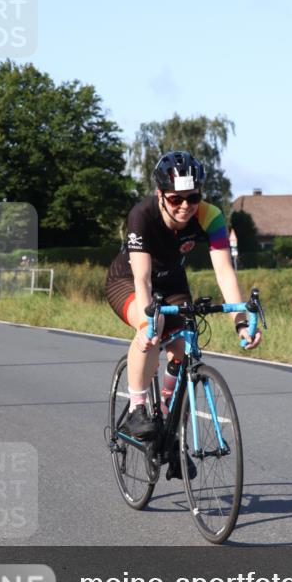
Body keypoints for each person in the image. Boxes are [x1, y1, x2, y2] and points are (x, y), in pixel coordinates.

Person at [105, 150, 262, 442]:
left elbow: (225, 272)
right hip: (127, 280)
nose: (185, 206)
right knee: (154, 328)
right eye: (176, 198)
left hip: (173, 282)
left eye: (193, 197)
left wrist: (240, 322)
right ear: (160, 194)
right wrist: (146, 324)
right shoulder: (143, 215)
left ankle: (167, 421)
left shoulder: (210, 216)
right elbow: (142, 278)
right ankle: (139, 408)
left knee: (183, 345)